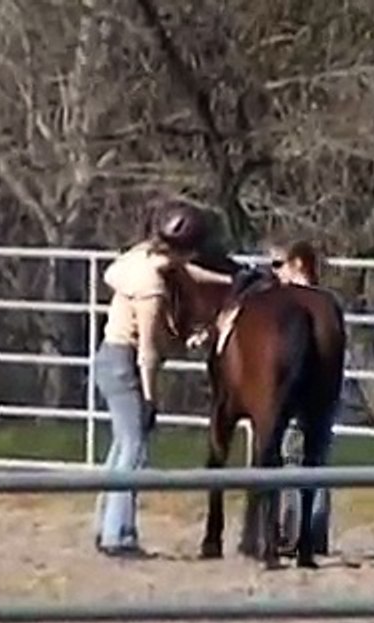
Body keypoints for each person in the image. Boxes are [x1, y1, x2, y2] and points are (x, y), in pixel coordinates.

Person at [93, 200, 232, 557]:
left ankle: (105, 526)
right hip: (126, 362)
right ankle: (118, 536)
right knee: (134, 449)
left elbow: (186, 273)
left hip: (109, 358)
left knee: (121, 445)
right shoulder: (152, 289)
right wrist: (152, 400)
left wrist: (232, 280)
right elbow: (149, 353)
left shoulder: (140, 259)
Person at [265, 238, 332, 554]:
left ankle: (291, 532)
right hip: (326, 393)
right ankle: (315, 533)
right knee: (317, 457)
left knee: (293, 454)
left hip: (297, 390)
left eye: (279, 265)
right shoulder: (329, 305)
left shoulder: (290, 307)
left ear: (298, 265)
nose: (274, 273)